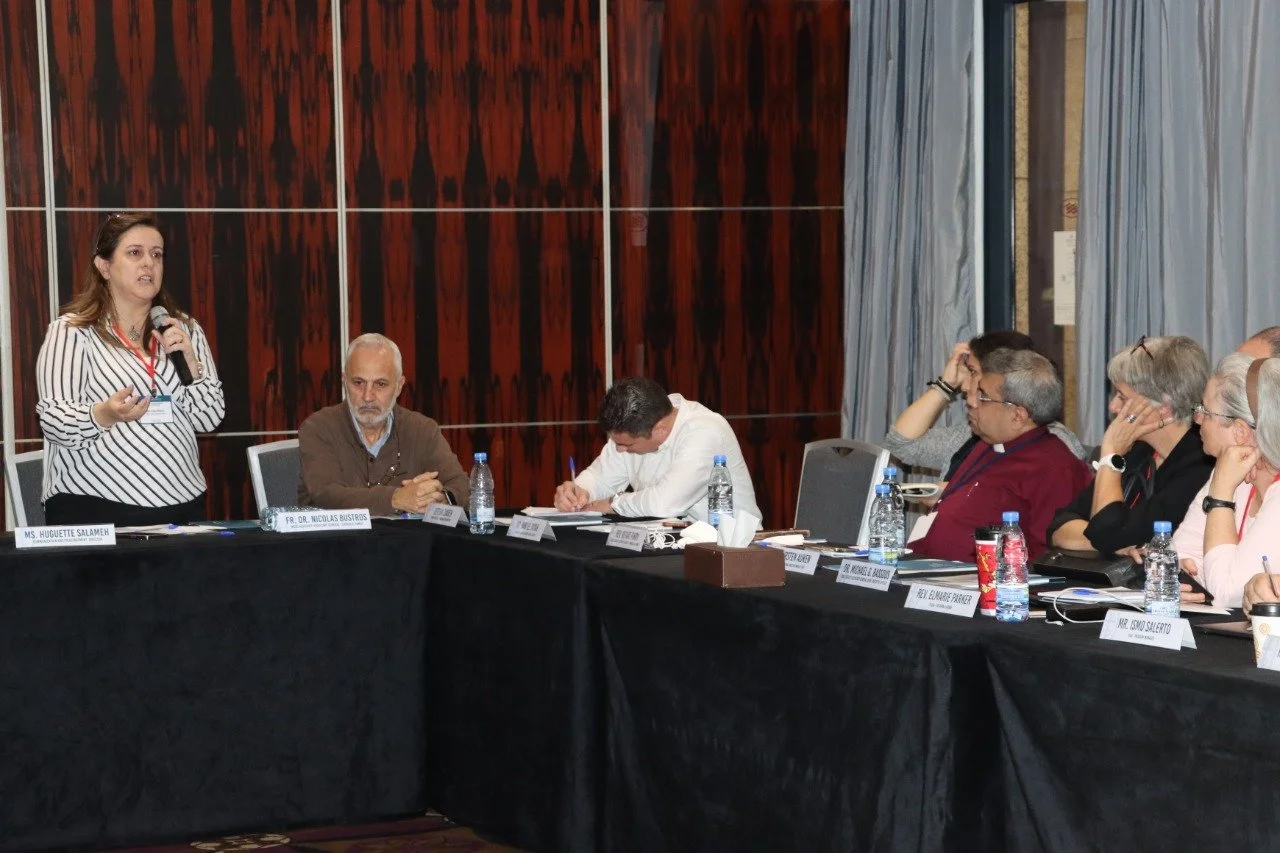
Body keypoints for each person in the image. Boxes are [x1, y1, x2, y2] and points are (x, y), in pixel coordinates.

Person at [36, 212, 225, 525]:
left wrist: (192, 368)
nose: (148, 263)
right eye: (135, 253)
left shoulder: (185, 330)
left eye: (156, 255)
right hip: (94, 507)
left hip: (182, 505)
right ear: (104, 266)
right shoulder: (72, 332)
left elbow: (210, 419)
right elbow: (55, 420)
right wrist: (105, 414)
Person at [908, 349, 1092, 562]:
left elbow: (1048, 557)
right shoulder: (990, 442)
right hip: (926, 570)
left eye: (983, 397)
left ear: (1017, 416)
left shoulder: (1054, 468)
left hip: (980, 580)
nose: (972, 402)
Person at [1046, 335, 1212, 555]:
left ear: (1163, 406)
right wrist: (1118, 545)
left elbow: (1106, 533)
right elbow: (1059, 526)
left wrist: (1110, 455)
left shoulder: (1200, 465)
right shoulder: (1138, 451)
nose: (1113, 406)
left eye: (1122, 397)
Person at [297, 333, 470, 515]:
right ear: (344, 381)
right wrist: (396, 499)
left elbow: (461, 486)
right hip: (338, 534)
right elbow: (326, 495)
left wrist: (440, 499)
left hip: (406, 535)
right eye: (358, 383)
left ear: (399, 386)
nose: (368, 396)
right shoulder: (318, 428)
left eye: (380, 384)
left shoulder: (422, 430)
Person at [553, 377, 760, 522]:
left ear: (659, 429)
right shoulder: (636, 425)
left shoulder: (705, 430)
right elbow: (600, 478)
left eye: (627, 445)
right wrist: (578, 492)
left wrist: (613, 503)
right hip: (669, 545)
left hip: (730, 551)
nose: (620, 450)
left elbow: (665, 502)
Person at [883, 330, 1087, 474]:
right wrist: (945, 385)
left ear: (999, 378)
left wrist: (958, 494)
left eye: (972, 372)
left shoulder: (1056, 442)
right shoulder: (973, 434)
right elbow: (902, 444)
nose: (964, 386)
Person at [1167, 355, 1280, 610]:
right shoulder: (1231, 472)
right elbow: (1179, 555)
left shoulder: (1229, 481)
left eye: (1205, 411)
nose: (1197, 419)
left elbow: (1225, 593)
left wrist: (1220, 495)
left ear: (1240, 432)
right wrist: (1185, 578)